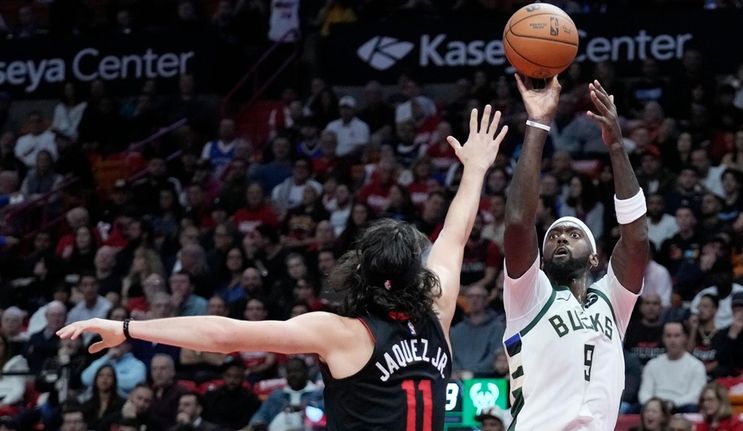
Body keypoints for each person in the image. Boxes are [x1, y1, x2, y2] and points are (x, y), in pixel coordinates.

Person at [58, 106, 509, 430]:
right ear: (416, 276)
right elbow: (455, 234)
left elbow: (223, 335)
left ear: (359, 272)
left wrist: (130, 328)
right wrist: (475, 169)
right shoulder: (438, 309)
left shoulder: (341, 332)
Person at [502, 76, 649, 430]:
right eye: (553, 236)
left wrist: (616, 147)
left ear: (595, 258)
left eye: (572, 234)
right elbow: (520, 222)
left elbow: (637, 238)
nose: (561, 239)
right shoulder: (529, 295)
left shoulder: (613, 301)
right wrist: (538, 124)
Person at [638, 322, 707, 412]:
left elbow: (696, 395)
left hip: (681, 408)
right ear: (663, 338)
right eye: (668, 336)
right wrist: (656, 406)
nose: (672, 340)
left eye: (676, 336)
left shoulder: (696, 366)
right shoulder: (652, 364)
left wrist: (671, 404)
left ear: (685, 338)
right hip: (654, 408)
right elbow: (644, 393)